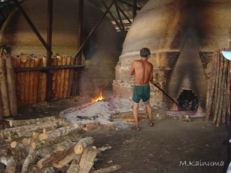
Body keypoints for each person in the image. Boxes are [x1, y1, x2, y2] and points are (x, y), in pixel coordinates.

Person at [129, 47, 154, 131]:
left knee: (135, 107)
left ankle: (137, 127)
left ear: (140, 55)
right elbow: (151, 78)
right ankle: (151, 122)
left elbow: (130, 72)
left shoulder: (135, 62)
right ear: (148, 56)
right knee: (148, 105)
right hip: (146, 87)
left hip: (137, 87)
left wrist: (137, 72)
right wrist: (151, 81)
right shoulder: (150, 65)